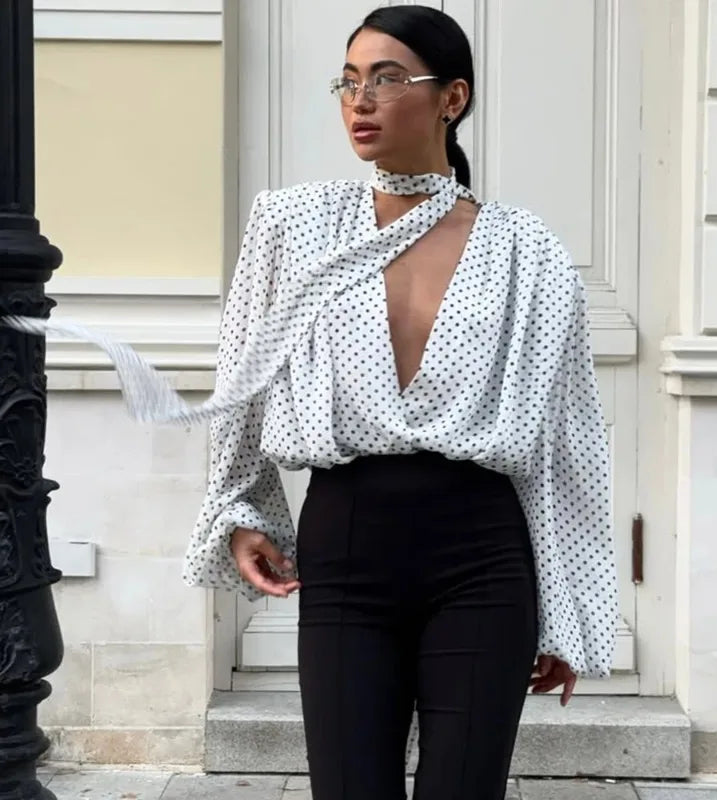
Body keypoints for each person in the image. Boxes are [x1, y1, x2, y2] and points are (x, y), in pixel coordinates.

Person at [4, 5, 618, 799]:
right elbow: (244, 381)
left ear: (452, 98)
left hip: (484, 554)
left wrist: (565, 609)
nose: (360, 100)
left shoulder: (525, 248)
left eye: (389, 79)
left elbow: (568, 438)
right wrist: (243, 509)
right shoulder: (294, 223)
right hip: (348, 541)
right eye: (349, 80)